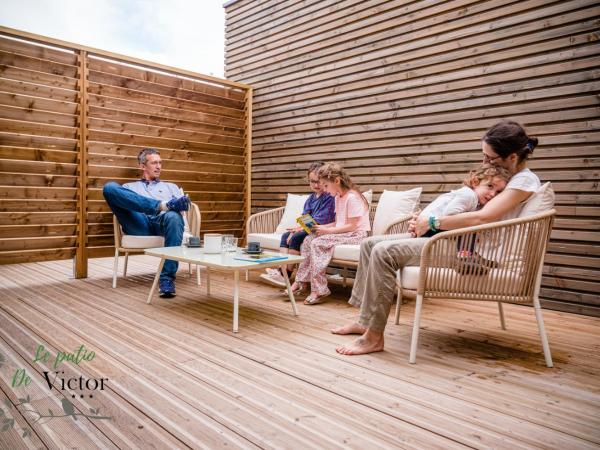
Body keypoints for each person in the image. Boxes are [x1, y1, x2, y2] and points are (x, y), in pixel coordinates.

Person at [333, 119, 541, 355]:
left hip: (472, 252)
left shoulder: (523, 182)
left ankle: (373, 337)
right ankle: (365, 319)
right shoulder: (504, 177)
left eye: (489, 158)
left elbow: (482, 218)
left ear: (512, 157)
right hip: (454, 238)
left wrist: (430, 222)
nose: (484, 162)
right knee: (370, 244)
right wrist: (424, 219)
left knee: (384, 252)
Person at [102, 148, 190, 298]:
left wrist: (180, 206)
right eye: (154, 163)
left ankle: (167, 279)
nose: (159, 166)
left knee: (174, 217)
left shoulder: (171, 187)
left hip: (162, 223)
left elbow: (183, 210)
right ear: (142, 166)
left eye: (160, 163)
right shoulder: (129, 188)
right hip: (139, 223)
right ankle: (160, 205)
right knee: (109, 187)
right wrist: (159, 206)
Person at [291, 162, 370, 305]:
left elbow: (352, 226)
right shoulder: (338, 196)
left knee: (317, 243)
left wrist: (327, 231)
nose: (325, 190)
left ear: (337, 181)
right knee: (309, 239)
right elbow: (338, 223)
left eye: (326, 185)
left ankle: (319, 290)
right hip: (344, 232)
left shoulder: (352, 197)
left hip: (356, 235)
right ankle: (301, 280)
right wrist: (319, 227)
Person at [260, 161, 335, 288]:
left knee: (295, 237)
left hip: (321, 229)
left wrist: (299, 230)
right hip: (309, 227)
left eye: (318, 181)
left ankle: (286, 274)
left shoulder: (329, 197)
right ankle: (281, 270)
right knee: (285, 236)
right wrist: (297, 228)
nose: (316, 185)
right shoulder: (311, 198)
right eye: (312, 181)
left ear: (325, 180)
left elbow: (320, 220)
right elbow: (305, 217)